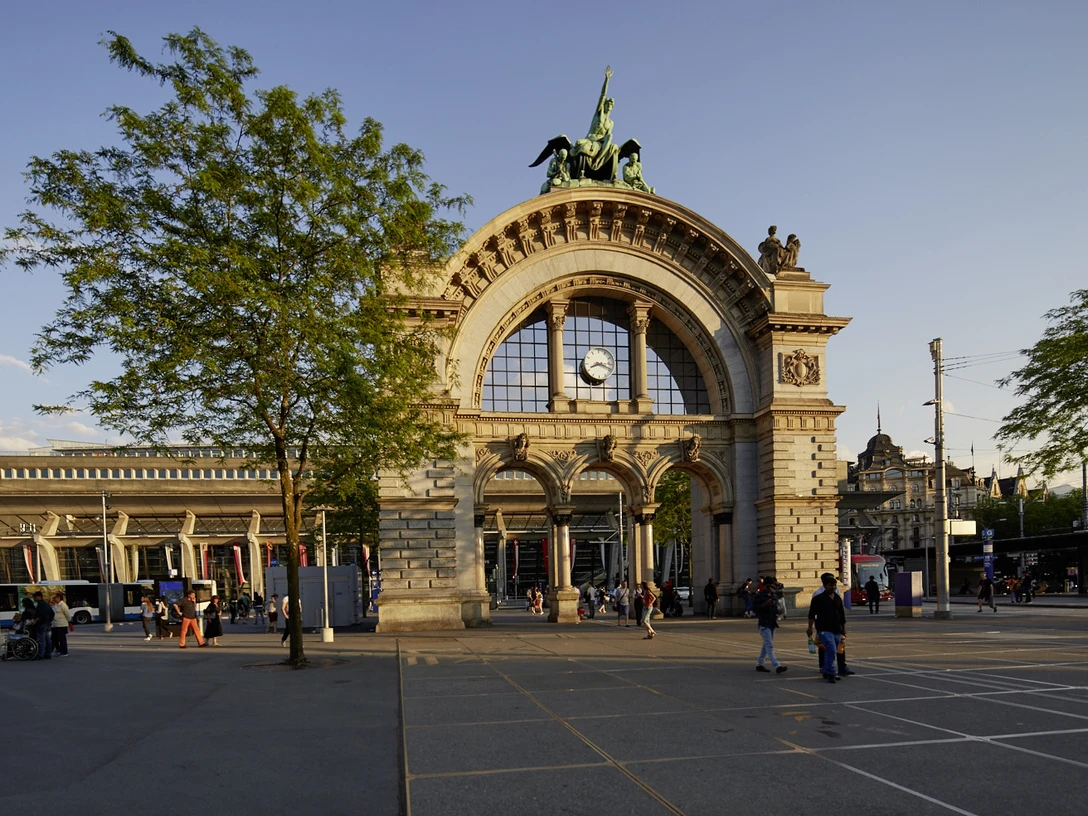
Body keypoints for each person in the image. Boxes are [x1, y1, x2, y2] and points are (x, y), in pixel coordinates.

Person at [811, 574, 855, 677]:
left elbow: (841, 612)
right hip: (824, 627)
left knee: (838, 648)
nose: (834, 587)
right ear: (824, 583)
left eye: (834, 584)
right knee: (828, 648)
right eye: (831, 584)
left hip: (836, 626)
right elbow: (813, 614)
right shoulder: (817, 595)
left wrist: (843, 628)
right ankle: (827, 669)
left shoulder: (837, 595)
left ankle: (840, 667)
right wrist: (814, 628)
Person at [754, 576, 787, 674]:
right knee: (769, 645)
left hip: (772, 622)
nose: (770, 589)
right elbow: (755, 609)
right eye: (768, 587)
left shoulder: (774, 595)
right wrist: (765, 604)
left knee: (766, 645)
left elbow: (775, 609)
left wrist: (779, 610)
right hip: (764, 623)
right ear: (764, 586)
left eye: (771, 587)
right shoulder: (759, 596)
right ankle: (777, 665)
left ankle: (759, 663)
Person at [32, 591, 55, 660]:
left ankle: (40, 654)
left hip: (41, 624)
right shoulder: (46, 604)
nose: (34, 599)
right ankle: (48, 654)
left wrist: (34, 622)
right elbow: (52, 613)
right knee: (48, 639)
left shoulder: (41, 604)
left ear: (39, 597)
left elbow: (39, 616)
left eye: (35, 597)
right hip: (47, 623)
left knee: (42, 640)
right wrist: (49, 621)